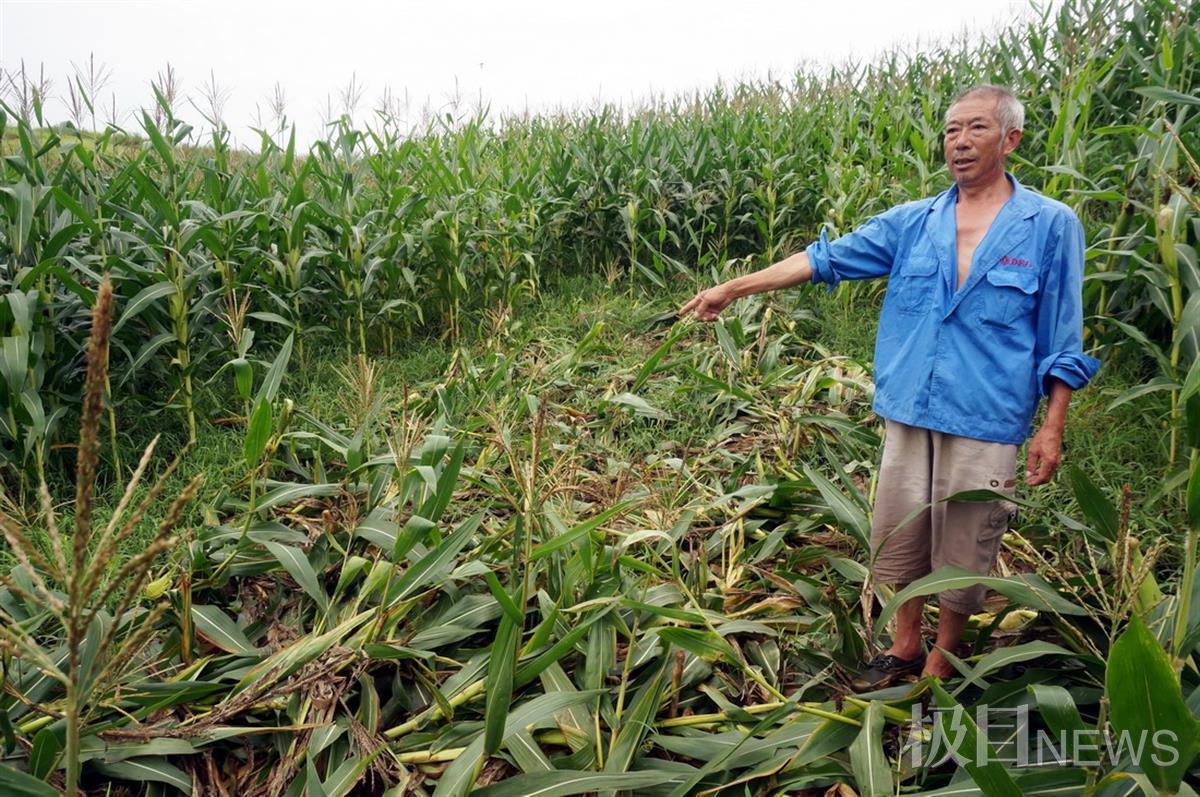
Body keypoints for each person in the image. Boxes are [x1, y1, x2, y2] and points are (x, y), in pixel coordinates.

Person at [678, 85, 1100, 685]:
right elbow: (823, 259)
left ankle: (942, 655)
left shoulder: (1050, 226)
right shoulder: (912, 223)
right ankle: (904, 644)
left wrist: (1051, 428)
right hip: (911, 405)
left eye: (976, 128)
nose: (959, 142)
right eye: (951, 130)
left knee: (966, 542)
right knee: (897, 532)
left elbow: (1063, 335)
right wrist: (734, 288)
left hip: (988, 412)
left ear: (1010, 139)